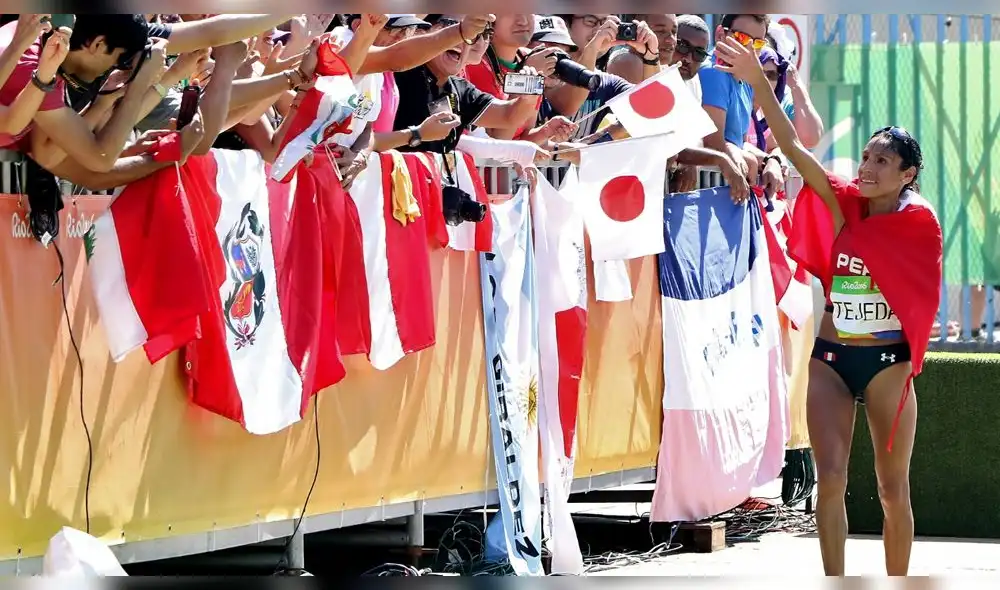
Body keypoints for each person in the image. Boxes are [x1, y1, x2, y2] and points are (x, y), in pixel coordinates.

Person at [715, 35, 944, 577]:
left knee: (892, 489)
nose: (867, 167)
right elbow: (794, 147)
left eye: (882, 161)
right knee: (832, 480)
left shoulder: (919, 223)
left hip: (888, 362)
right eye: (865, 156)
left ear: (907, 174)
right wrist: (758, 84)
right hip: (832, 360)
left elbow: (921, 296)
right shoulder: (843, 203)